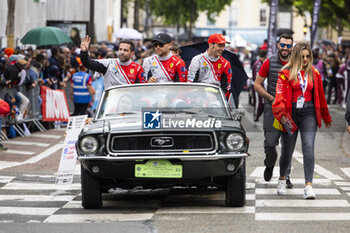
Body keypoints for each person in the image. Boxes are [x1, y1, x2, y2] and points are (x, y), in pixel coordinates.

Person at [272, 42, 332, 199]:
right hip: (289, 113)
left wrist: (325, 115)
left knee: (308, 147)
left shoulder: (315, 73)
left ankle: (308, 186)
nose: (305, 59)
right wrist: (282, 115)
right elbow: (279, 98)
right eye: (302, 56)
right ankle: (282, 178)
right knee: (287, 150)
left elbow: (320, 96)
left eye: (308, 56)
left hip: (309, 113)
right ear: (296, 56)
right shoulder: (285, 73)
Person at [253, 33, 294, 187]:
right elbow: (257, 84)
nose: (285, 48)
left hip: (290, 110)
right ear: (278, 45)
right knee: (270, 143)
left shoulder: (296, 62)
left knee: (288, 145)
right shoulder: (269, 62)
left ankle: (286, 176)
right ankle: (269, 164)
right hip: (272, 108)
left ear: (292, 46)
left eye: (288, 45)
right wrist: (271, 98)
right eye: (282, 45)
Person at [80, 36, 145, 89]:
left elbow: (140, 90)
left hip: (128, 103)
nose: (122, 52)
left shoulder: (138, 68)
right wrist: (84, 52)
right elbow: (88, 63)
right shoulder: (109, 63)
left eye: (125, 50)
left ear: (132, 53)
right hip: (110, 103)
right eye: (120, 49)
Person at [252, 49, 267, 124]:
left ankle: (257, 117)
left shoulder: (260, 63)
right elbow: (256, 77)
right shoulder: (258, 64)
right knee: (258, 103)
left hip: (260, 87)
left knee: (262, 103)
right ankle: (255, 118)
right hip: (257, 87)